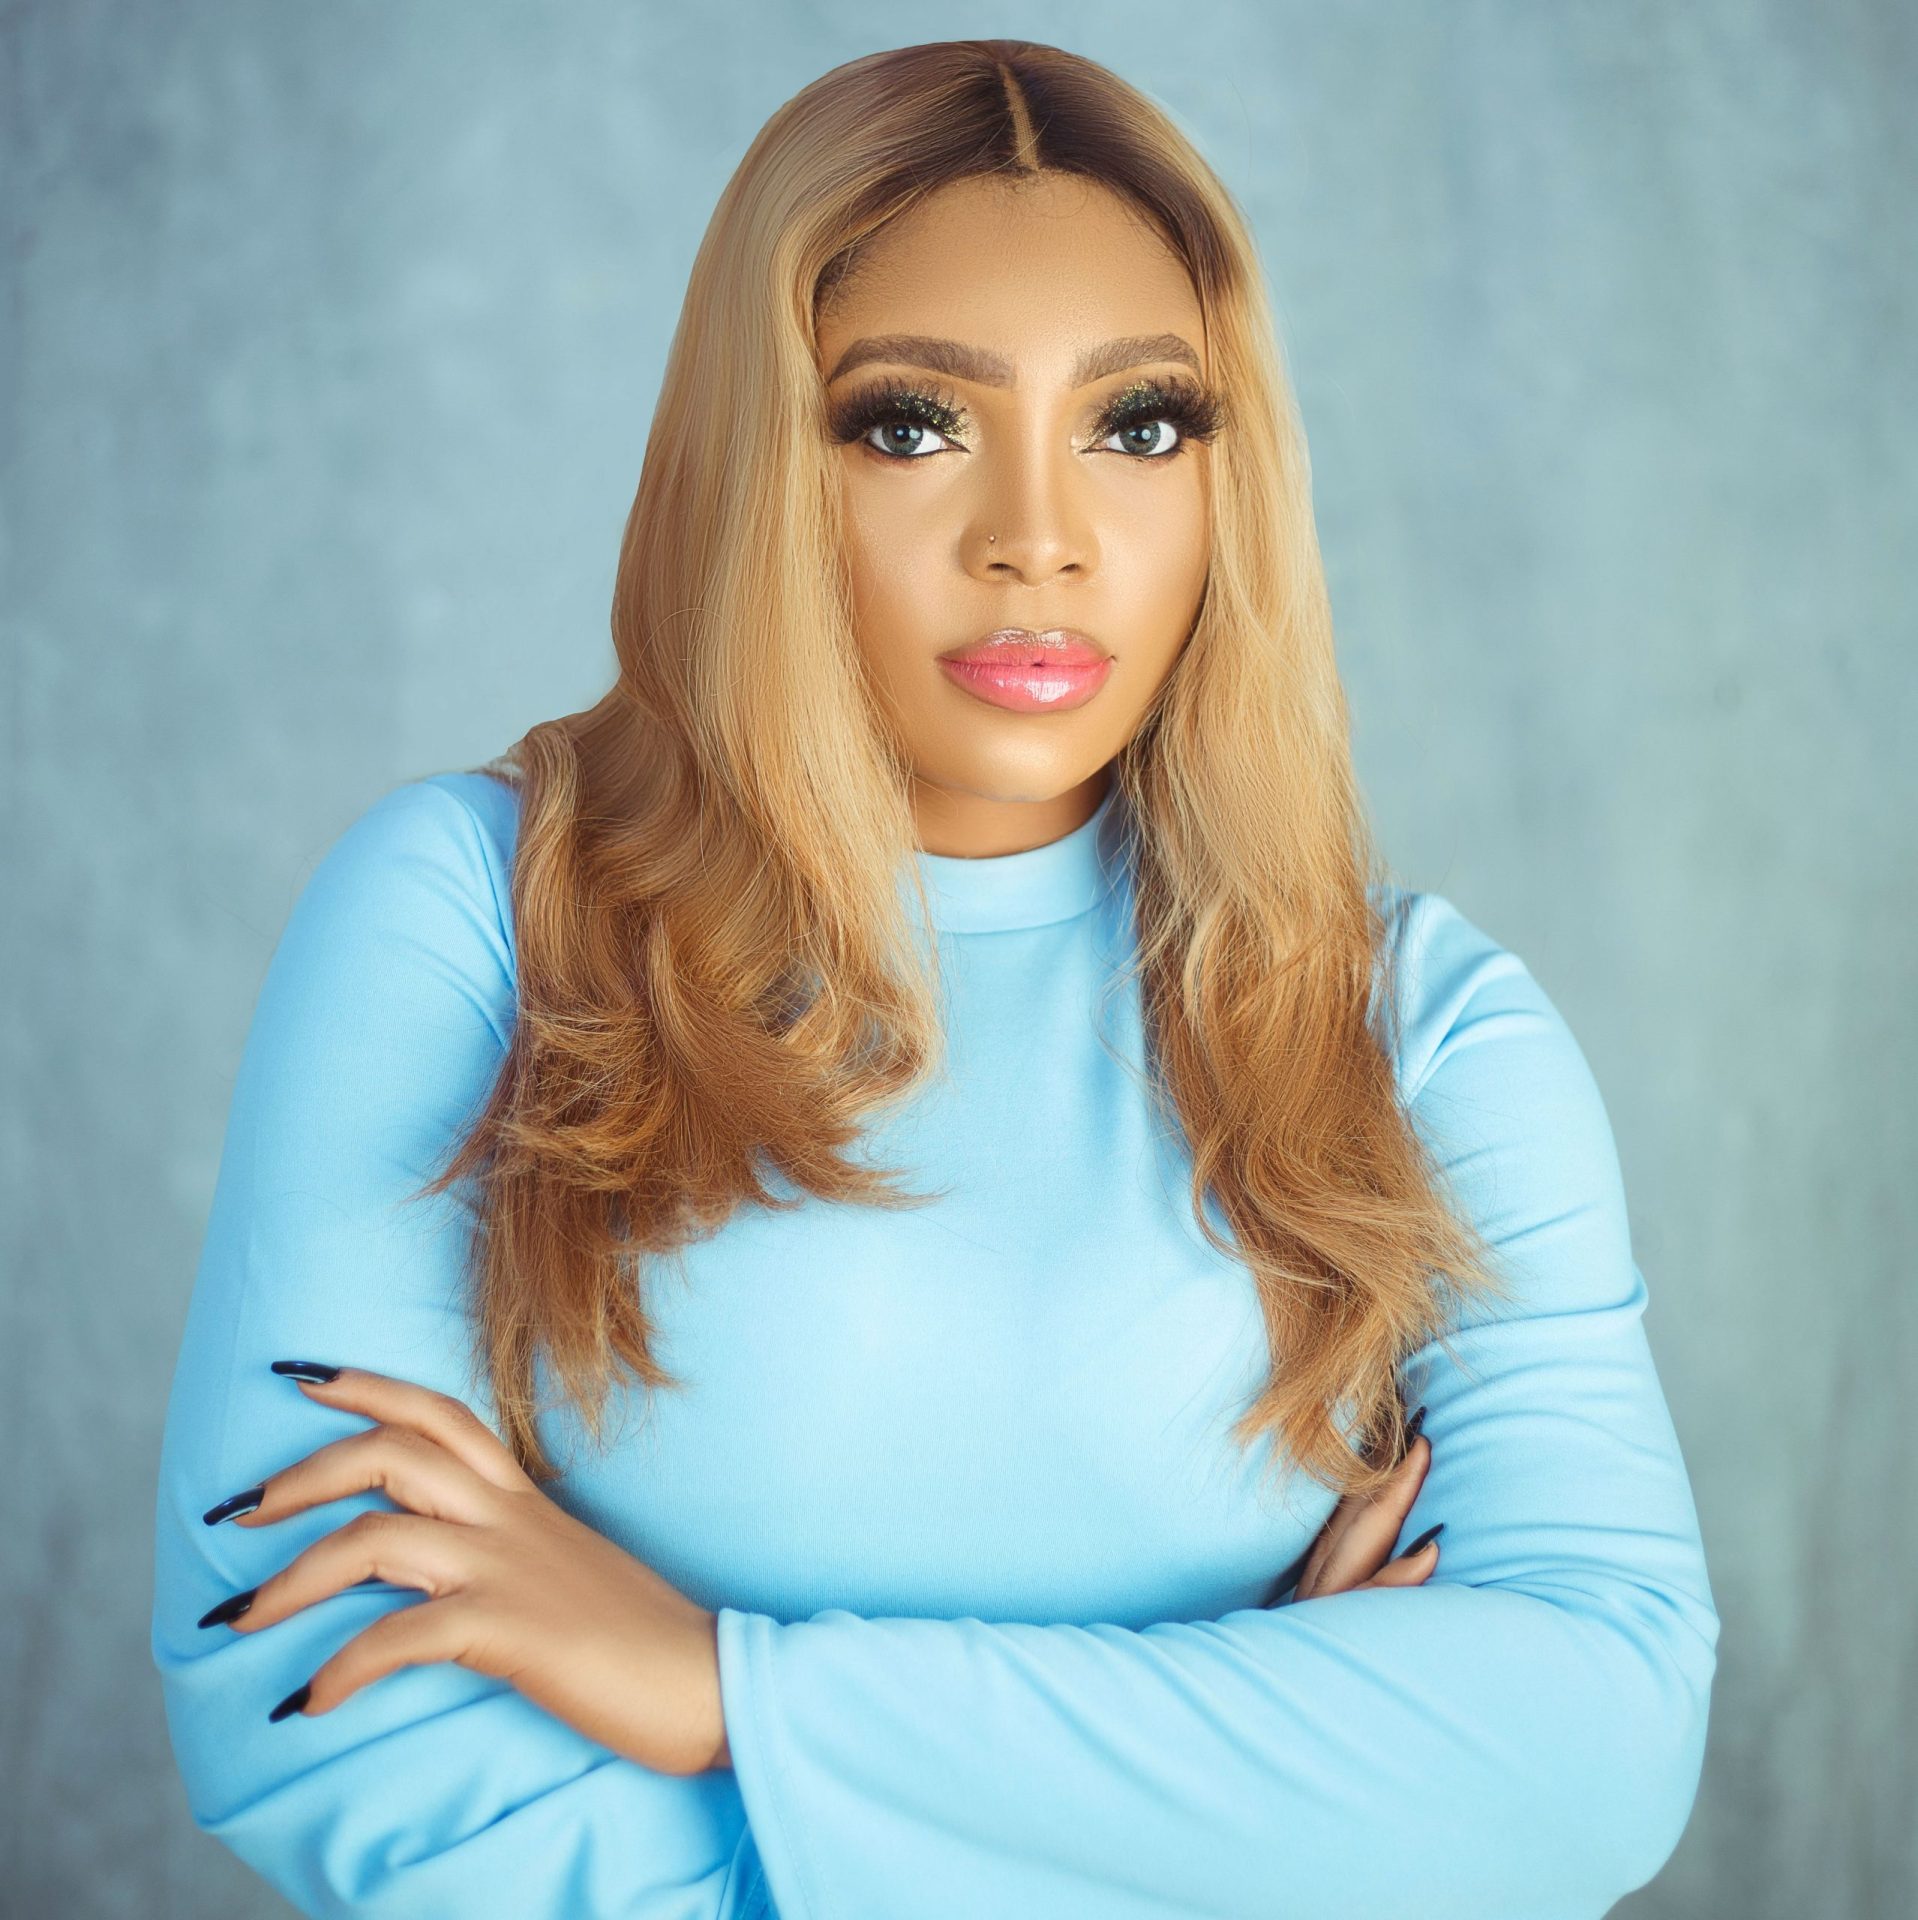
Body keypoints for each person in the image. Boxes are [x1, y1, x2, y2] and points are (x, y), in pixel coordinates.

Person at [152, 37, 1718, 1919]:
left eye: (1139, 424)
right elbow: (334, 1735)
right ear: (757, 461)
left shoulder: (1419, 1030)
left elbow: (1595, 1752)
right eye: (910, 425)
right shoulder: (476, 915)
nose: (1036, 537)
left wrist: (718, 1693)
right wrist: (1251, 1783)